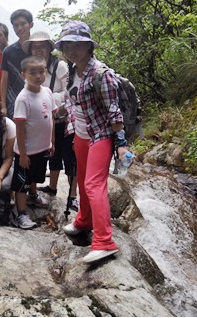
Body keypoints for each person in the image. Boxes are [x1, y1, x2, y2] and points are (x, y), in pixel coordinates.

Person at [56, 20, 130, 264]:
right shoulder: (72, 71)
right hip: (80, 134)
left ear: (88, 46)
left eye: (77, 45)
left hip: (100, 135)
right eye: (67, 45)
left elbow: (114, 112)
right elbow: (73, 100)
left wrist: (121, 145)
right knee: (82, 178)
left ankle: (104, 241)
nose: (71, 50)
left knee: (93, 184)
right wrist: (63, 112)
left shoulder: (101, 74)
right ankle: (84, 220)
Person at [24, 32, 79, 211]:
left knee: (69, 157)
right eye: (35, 46)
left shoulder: (60, 66)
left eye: (42, 46)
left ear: (49, 47)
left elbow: (69, 90)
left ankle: (73, 196)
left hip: (64, 118)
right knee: (52, 155)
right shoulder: (31, 67)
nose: (39, 49)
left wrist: (49, 98)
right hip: (46, 121)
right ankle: (52, 187)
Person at [11, 56, 57, 229]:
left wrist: (52, 141)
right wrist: (23, 154)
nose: (38, 76)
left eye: (41, 72)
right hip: (27, 150)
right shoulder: (23, 98)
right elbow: (20, 127)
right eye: (33, 73)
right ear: (23, 74)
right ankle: (21, 214)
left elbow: (51, 118)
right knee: (22, 182)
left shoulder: (47, 92)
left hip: (42, 147)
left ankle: (33, 194)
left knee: (36, 175)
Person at [0, 9, 34, 119]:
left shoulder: (38, 48)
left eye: (23, 24)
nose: (19, 28)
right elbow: (4, 78)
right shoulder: (8, 51)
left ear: (31, 24)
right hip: (14, 101)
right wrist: (3, 105)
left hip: (37, 98)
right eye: (16, 25)